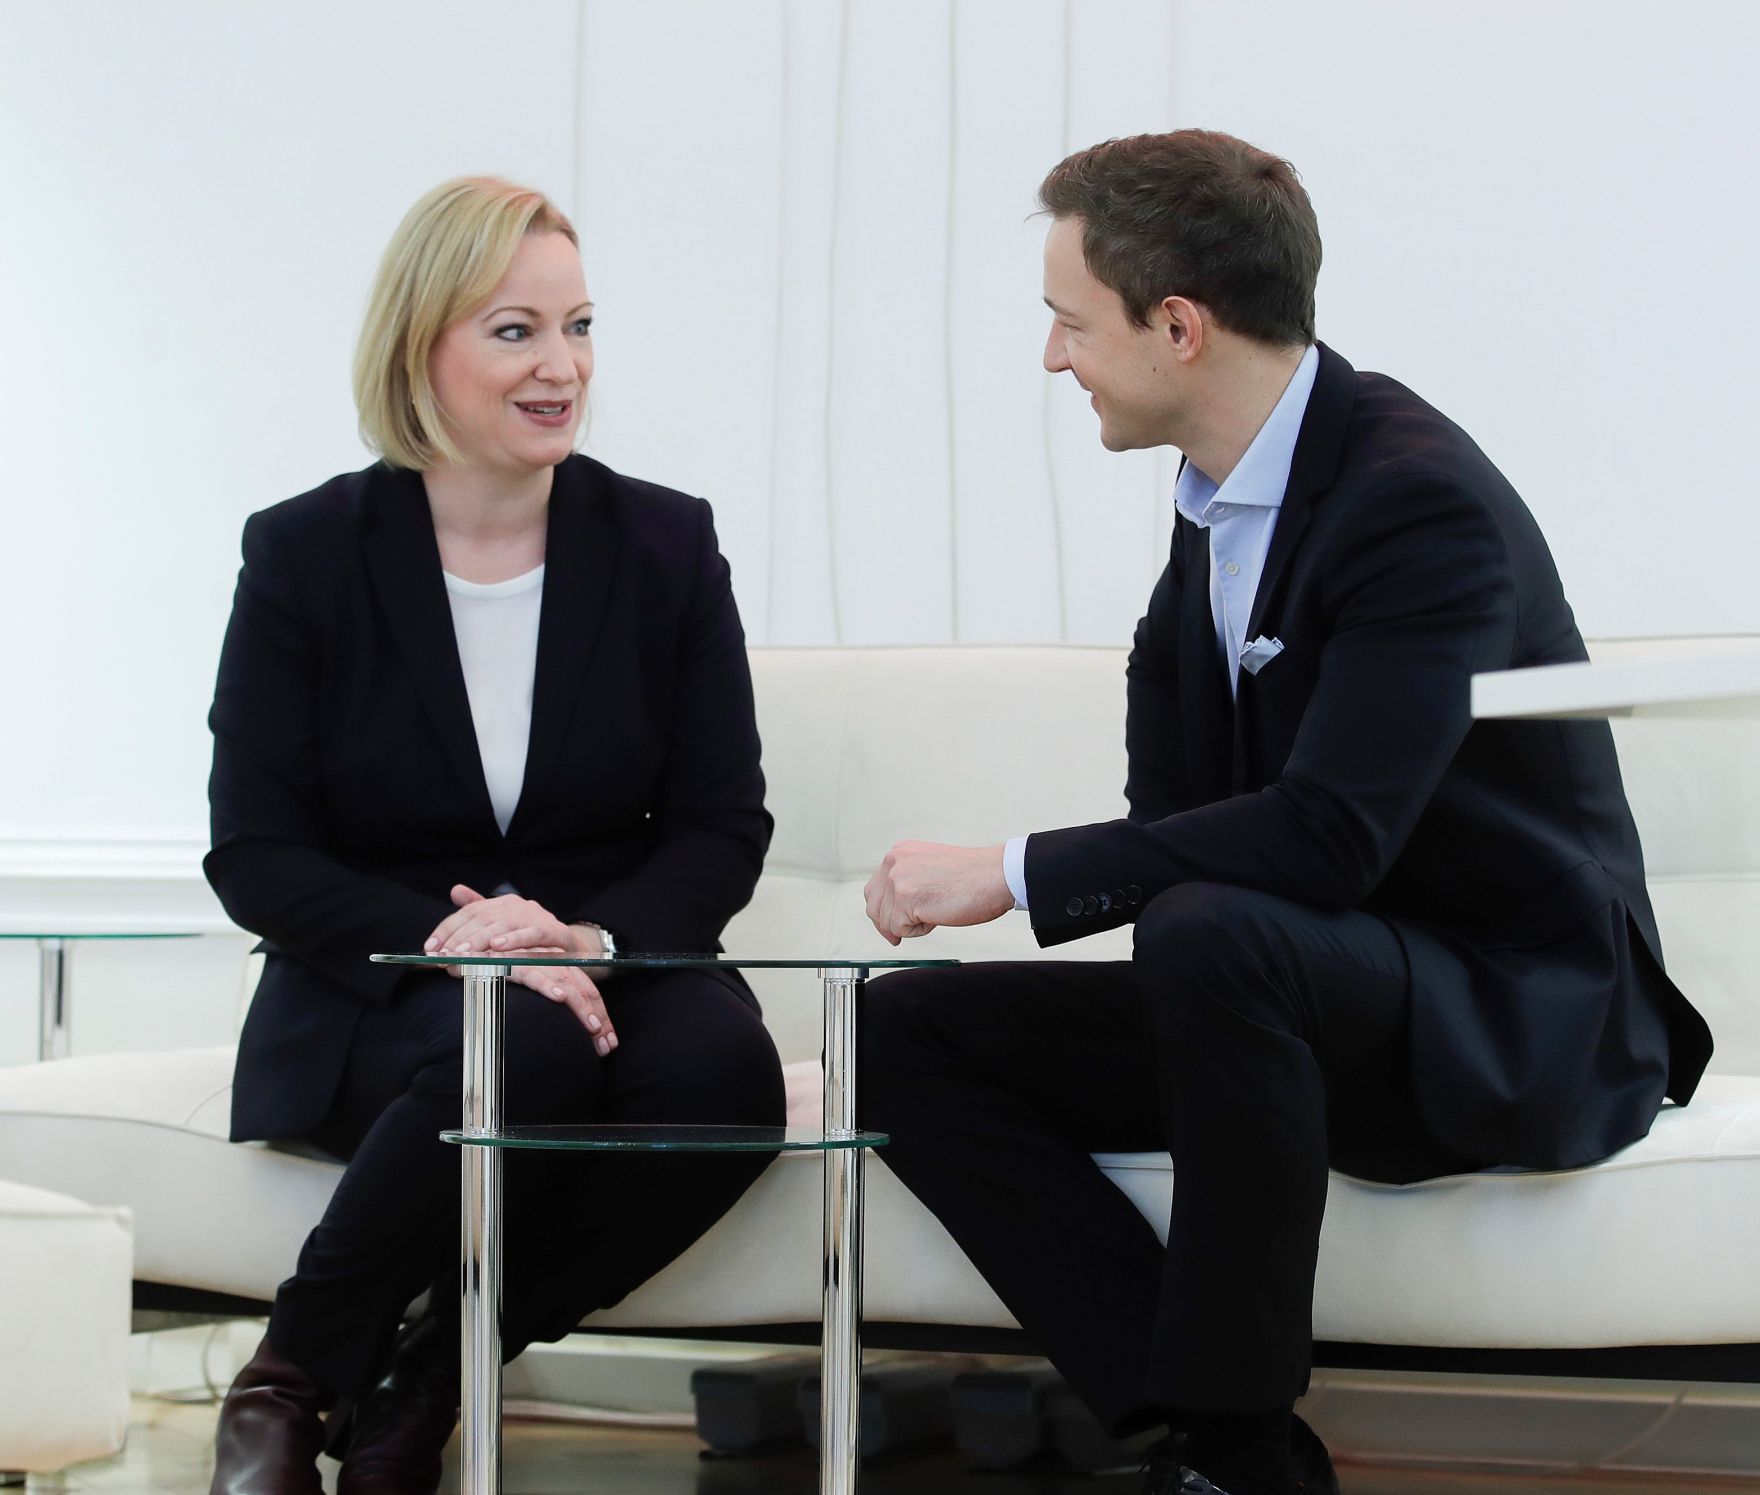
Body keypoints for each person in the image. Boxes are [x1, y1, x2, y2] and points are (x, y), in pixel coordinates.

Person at [859, 131, 1713, 1495]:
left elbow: (1327, 837)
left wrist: (1014, 873)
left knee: (1212, 931)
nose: (1053, 357)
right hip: (1287, 994)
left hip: (1502, 1011)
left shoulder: (1414, 500)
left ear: (1178, 327)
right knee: (897, 1033)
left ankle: (1238, 1444)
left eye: (1069, 323)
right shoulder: (1212, 513)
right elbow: (1182, 823)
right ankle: (1171, 1412)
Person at [203, 176, 785, 1495]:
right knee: (511, 1039)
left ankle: (438, 1372)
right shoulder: (304, 553)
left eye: (579, 327)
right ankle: (291, 1382)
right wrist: (459, 941)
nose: (562, 366)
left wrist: (582, 936)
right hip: (386, 976)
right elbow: (256, 849)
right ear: (423, 348)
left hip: (612, 954)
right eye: (516, 331)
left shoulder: (661, 544)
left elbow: (721, 823)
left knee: (729, 1087)